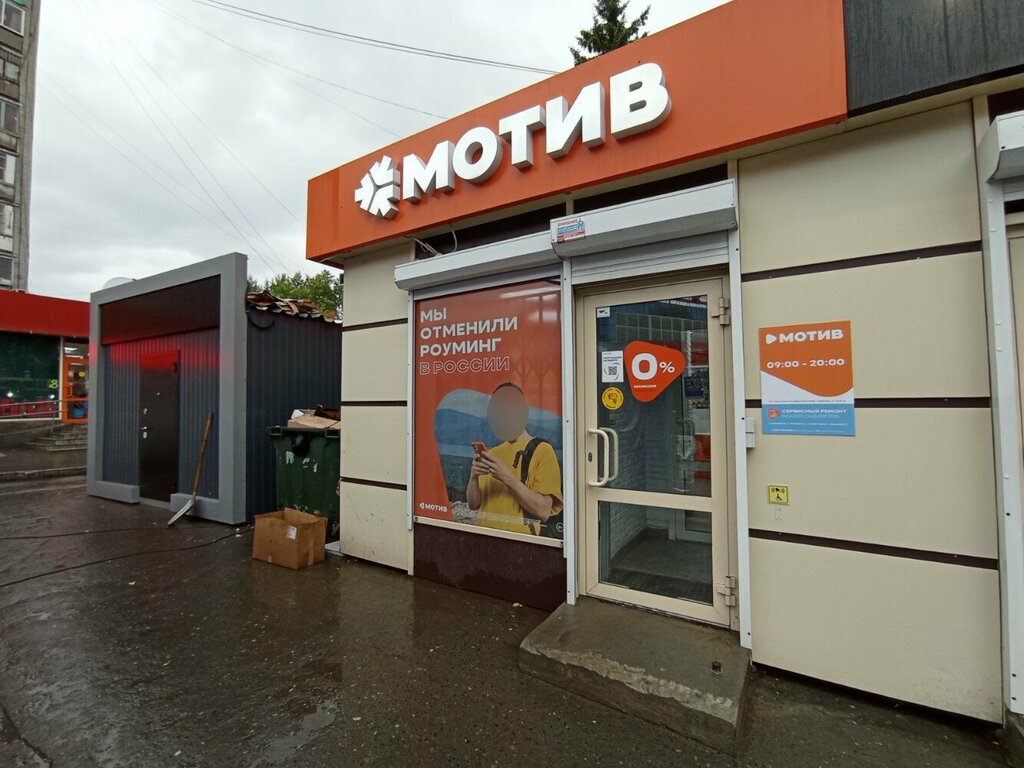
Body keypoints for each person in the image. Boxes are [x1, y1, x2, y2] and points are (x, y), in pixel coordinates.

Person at [466, 382, 562, 536]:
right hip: (484, 536)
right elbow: (473, 504)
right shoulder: (493, 453)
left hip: (518, 540)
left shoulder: (542, 450)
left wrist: (506, 477)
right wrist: (473, 477)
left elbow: (543, 511)